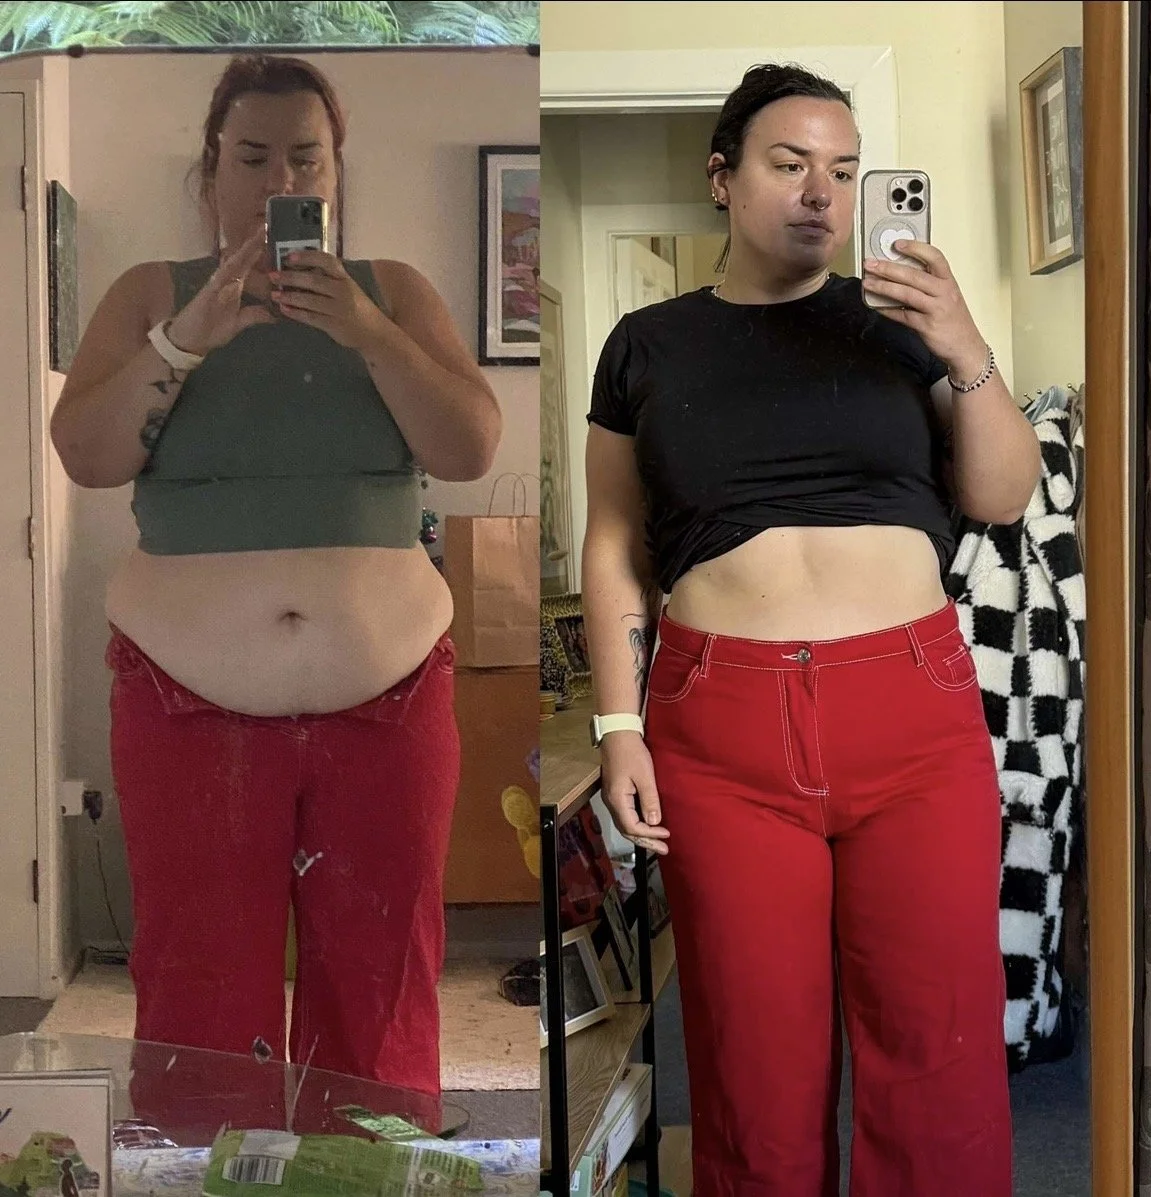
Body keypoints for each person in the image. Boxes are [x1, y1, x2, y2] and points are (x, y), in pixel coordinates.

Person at [581, 64, 1040, 1197]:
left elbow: (1002, 493)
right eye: (791, 165)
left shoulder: (903, 327)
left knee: (938, 1054)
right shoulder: (647, 343)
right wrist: (615, 727)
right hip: (718, 724)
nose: (821, 194)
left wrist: (962, 340)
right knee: (749, 1065)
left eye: (843, 171)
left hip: (911, 714)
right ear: (724, 177)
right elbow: (610, 548)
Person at [50, 54, 501, 1101]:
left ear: (337, 176)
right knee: (197, 985)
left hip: (389, 703)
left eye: (307, 156)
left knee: (382, 984)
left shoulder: (396, 293)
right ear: (209, 177)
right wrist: (188, 338)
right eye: (251, 156)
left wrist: (369, 332)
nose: (279, 179)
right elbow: (86, 453)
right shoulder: (146, 295)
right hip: (181, 703)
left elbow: (472, 443)